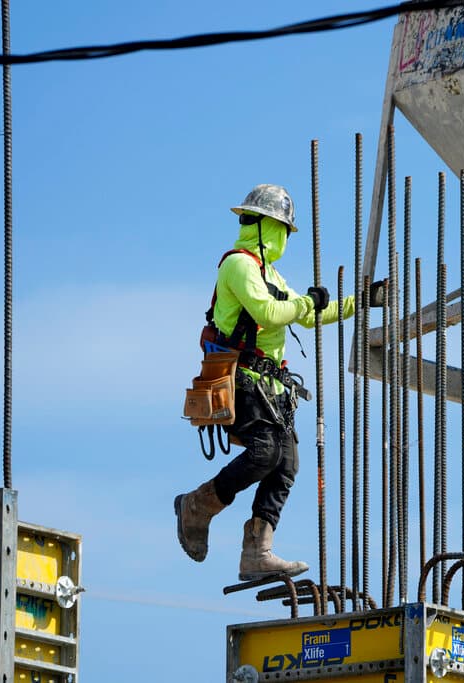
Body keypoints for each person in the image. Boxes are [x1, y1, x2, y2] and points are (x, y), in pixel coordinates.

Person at [174, 184, 355, 581]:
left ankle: (257, 549)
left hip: (270, 387)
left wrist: (357, 303)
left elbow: (305, 316)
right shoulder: (238, 266)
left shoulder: (269, 273)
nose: (283, 239)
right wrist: (306, 301)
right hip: (240, 379)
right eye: (281, 230)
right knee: (264, 453)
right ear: (262, 226)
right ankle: (197, 505)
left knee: (285, 462)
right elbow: (269, 312)